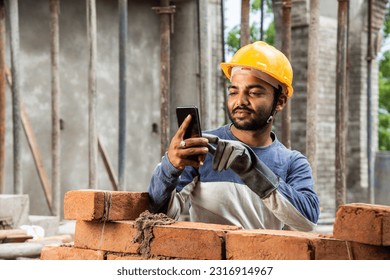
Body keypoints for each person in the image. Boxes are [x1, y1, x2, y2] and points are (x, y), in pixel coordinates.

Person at [148, 41, 320, 231]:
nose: (240, 101)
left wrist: (253, 170)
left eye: (254, 92)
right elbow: (160, 215)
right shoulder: (203, 147)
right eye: (233, 91)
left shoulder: (292, 162)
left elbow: (308, 222)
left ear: (279, 102)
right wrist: (170, 167)